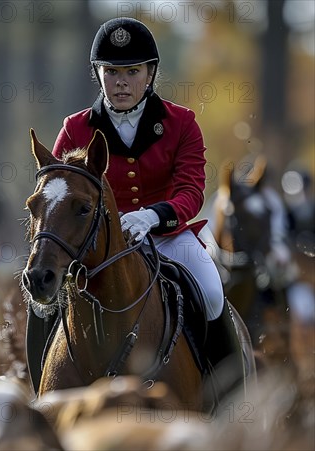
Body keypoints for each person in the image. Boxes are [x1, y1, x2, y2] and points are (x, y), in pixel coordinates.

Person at [50, 18, 242, 380]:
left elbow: (191, 191)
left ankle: (226, 394)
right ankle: (43, 390)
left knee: (213, 292)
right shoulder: (75, 128)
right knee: (45, 305)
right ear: (98, 74)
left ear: (150, 74)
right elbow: (58, 194)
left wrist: (151, 217)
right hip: (98, 245)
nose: (121, 81)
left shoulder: (181, 123)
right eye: (111, 71)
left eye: (133, 71)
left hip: (169, 237)